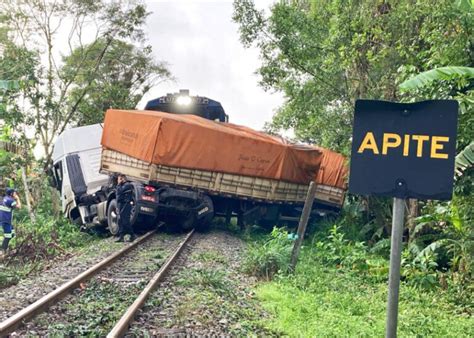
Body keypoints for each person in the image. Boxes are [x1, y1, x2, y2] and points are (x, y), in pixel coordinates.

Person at [0, 188, 21, 255]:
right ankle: (2, 252)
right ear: (11, 194)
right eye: (14, 193)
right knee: (8, 236)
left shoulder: (4, 198)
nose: (16, 194)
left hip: (4, 220)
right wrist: (17, 198)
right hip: (6, 221)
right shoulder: (11, 201)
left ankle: (7, 249)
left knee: (12, 234)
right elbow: (19, 207)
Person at [115, 174, 136, 242]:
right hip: (121, 204)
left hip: (126, 205)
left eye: (119, 179)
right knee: (120, 220)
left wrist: (118, 184)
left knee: (125, 221)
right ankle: (121, 236)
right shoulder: (121, 186)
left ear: (122, 179)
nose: (118, 180)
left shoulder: (127, 185)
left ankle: (132, 235)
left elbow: (119, 192)